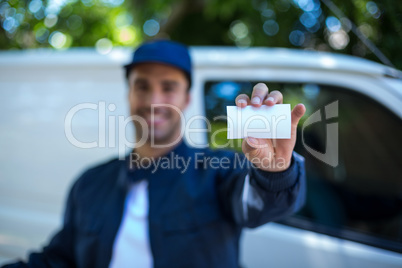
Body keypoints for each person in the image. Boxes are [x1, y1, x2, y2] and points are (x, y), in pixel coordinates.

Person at [3, 40, 307, 268]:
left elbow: (260, 205)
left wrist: (274, 170)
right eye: (142, 86)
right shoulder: (90, 183)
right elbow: (60, 260)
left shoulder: (218, 170)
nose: (153, 100)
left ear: (187, 99)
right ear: (129, 94)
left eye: (168, 87)